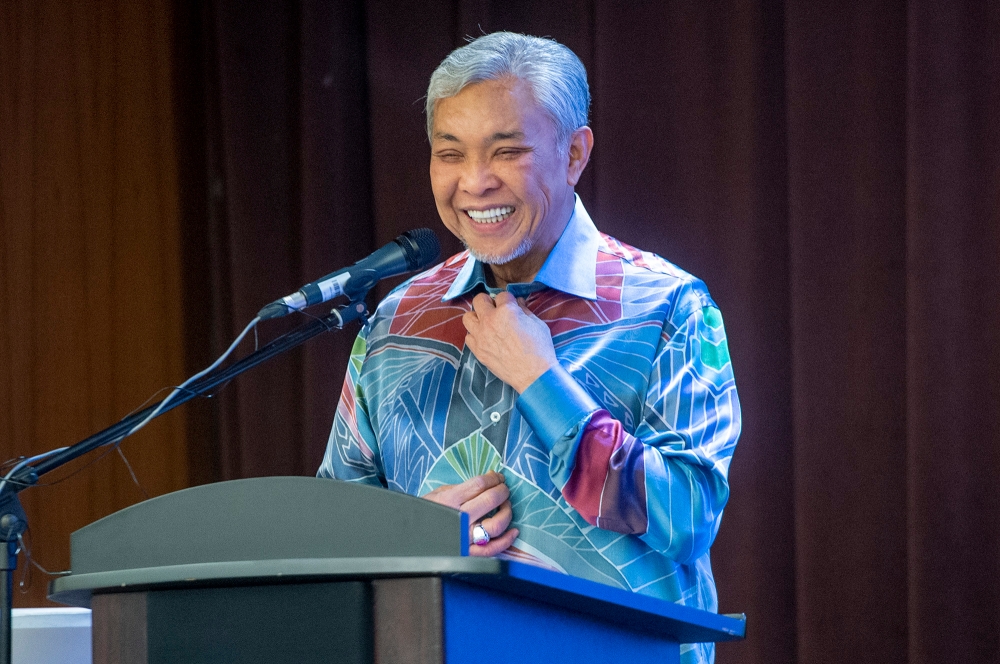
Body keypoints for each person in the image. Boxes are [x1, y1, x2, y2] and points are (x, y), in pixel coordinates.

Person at [318, 31, 740, 664]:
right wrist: (409, 534)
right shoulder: (397, 320)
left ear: (573, 154)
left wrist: (541, 380)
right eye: (449, 153)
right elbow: (327, 533)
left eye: (506, 151)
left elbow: (687, 518)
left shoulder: (668, 307)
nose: (473, 183)